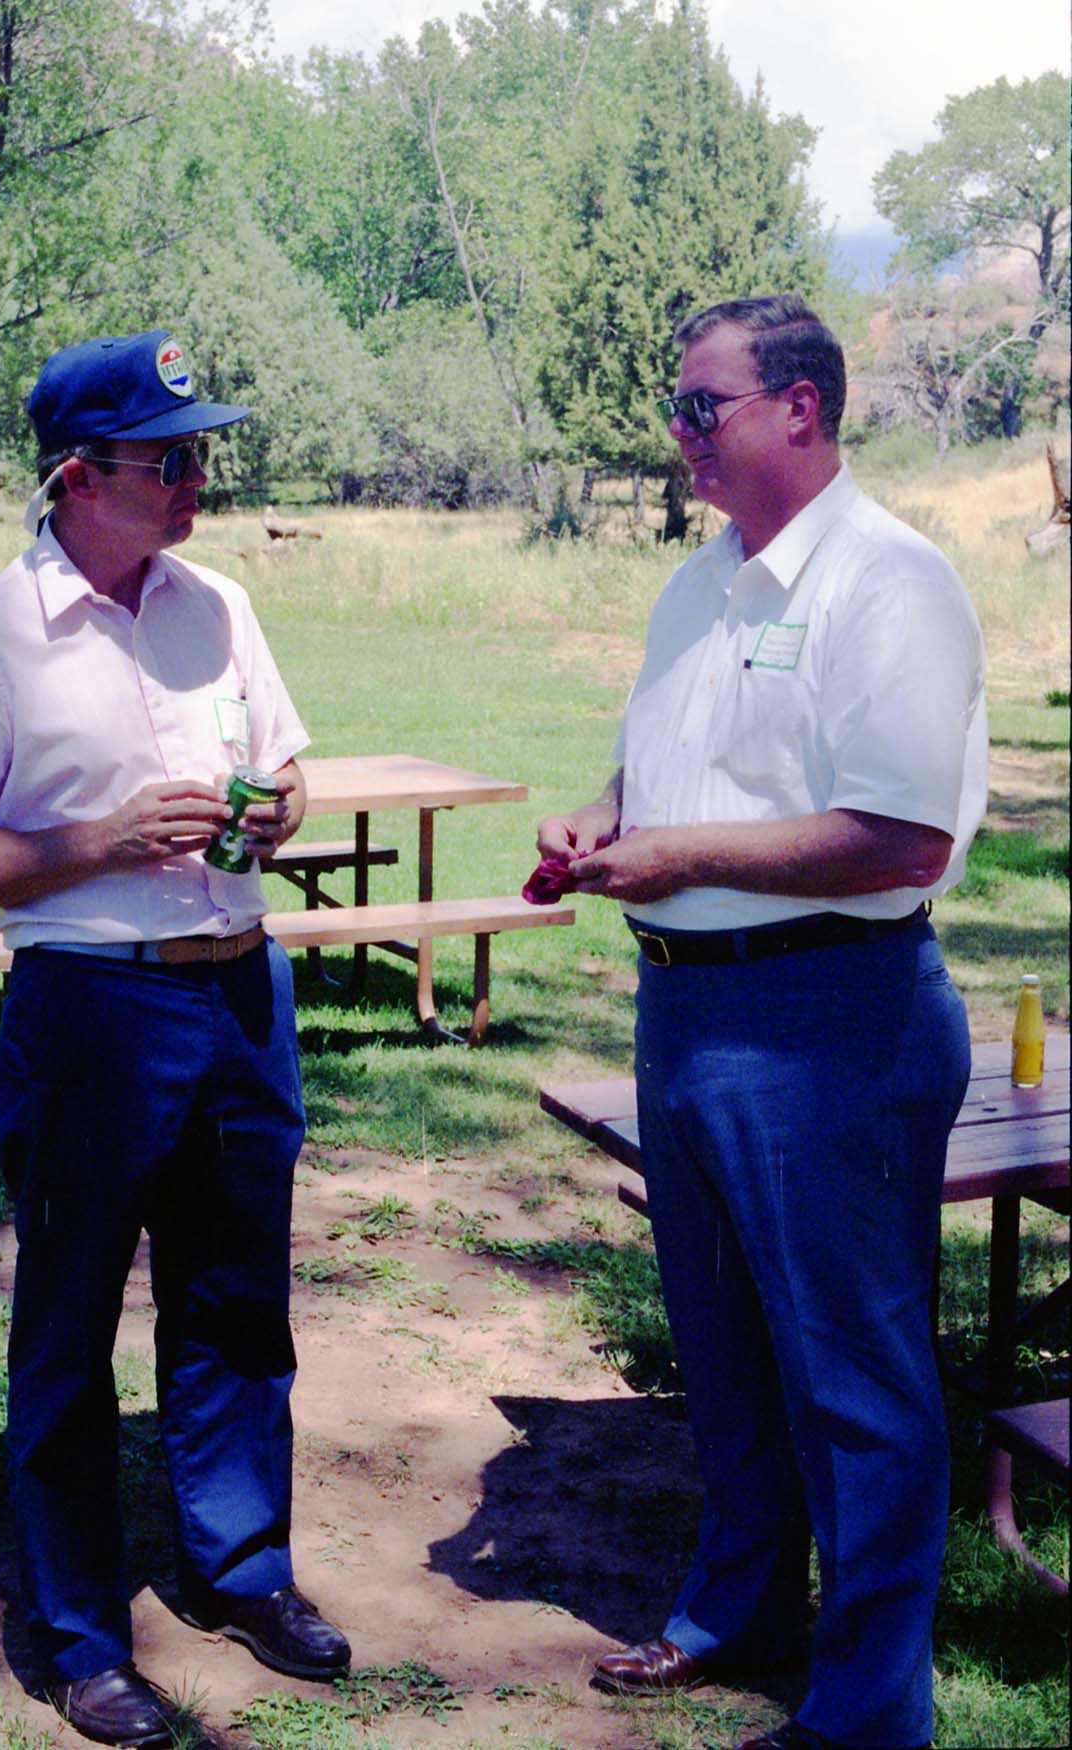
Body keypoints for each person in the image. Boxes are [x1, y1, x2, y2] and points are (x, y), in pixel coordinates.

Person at [0, 329, 350, 1749]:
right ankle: (84, 1633)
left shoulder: (219, 601)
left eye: (202, 451)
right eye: (171, 458)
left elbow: (291, 763)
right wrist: (96, 841)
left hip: (238, 993)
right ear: (79, 474)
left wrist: (280, 810)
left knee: (234, 1305)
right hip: (93, 1008)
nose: (199, 477)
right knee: (73, 1323)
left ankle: (241, 1567)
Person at [536, 296, 986, 1750]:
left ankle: (866, 1710)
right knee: (725, 1350)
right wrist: (605, 818)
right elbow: (654, 754)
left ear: (801, 409)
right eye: (677, 408)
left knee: (856, 1377)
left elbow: (901, 838)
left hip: (830, 1015)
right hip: (688, 1016)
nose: (678, 435)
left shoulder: (887, 585)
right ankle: (739, 1609)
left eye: (699, 408)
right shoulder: (700, 585)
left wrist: (684, 858)